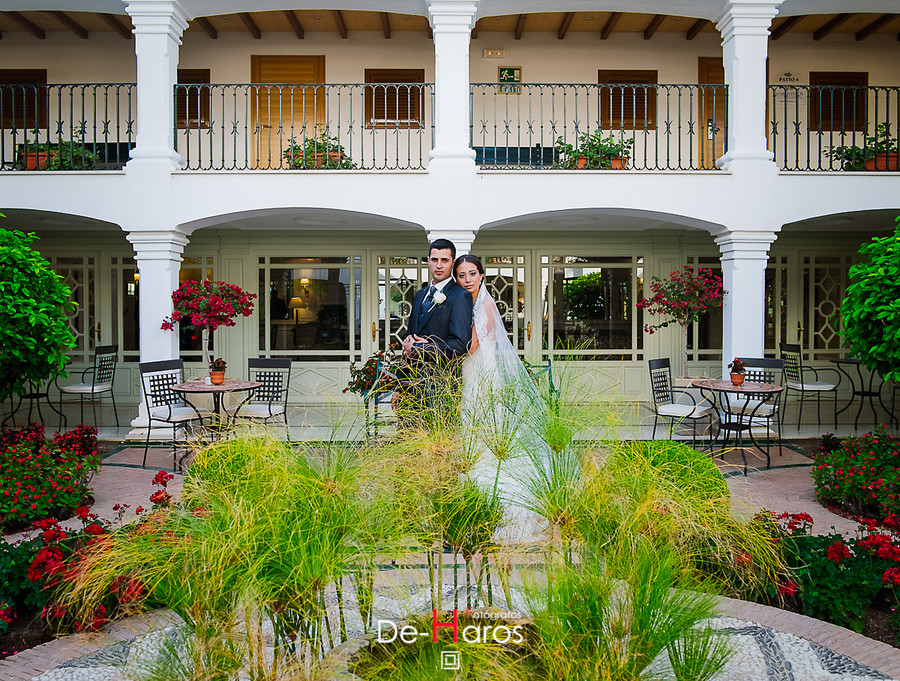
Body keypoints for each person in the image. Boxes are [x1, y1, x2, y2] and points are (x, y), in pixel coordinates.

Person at [454, 254, 549, 542]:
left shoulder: (484, 305)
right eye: (462, 275)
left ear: (481, 275)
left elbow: (470, 346)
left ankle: (501, 506)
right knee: (471, 434)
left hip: (482, 377)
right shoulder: (463, 303)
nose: (467, 279)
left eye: (472, 273)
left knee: (482, 434)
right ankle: (475, 502)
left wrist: (442, 340)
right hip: (470, 376)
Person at [394, 239, 474, 414]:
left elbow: (461, 346)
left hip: (440, 389)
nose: (439, 265)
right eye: (434, 259)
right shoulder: (420, 294)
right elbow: (409, 341)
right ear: (428, 260)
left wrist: (424, 348)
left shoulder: (460, 296)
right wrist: (399, 386)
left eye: (444, 260)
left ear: (453, 263)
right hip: (411, 390)